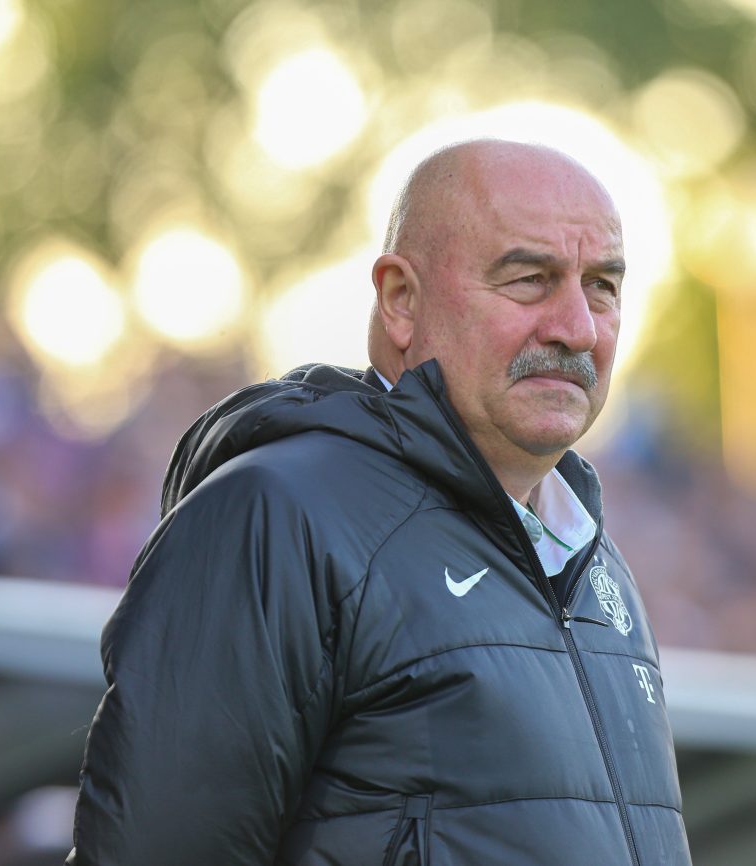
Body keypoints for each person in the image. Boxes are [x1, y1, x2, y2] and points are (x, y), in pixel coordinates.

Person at [68, 139, 691, 865]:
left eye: (602, 287)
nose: (577, 327)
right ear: (401, 300)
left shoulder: (596, 562)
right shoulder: (276, 517)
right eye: (529, 280)